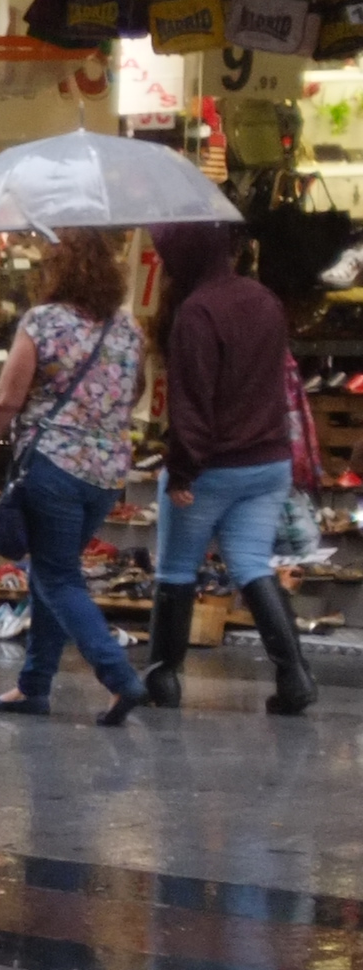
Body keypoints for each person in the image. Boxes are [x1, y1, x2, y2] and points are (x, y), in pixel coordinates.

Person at [0, 228, 147, 723]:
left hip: (53, 466)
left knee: (56, 574)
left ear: (57, 271)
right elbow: (134, 393)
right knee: (53, 568)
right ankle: (34, 686)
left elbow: (6, 399)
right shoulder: (128, 330)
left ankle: (119, 675)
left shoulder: (43, 323)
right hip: (106, 475)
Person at [146, 223, 320, 715]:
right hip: (268, 461)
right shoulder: (263, 299)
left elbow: (193, 405)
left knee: (177, 569)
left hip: (213, 468)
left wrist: (181, 471)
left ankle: (164, 678)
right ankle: (295, 675)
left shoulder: (196, 312)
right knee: (250, 565)